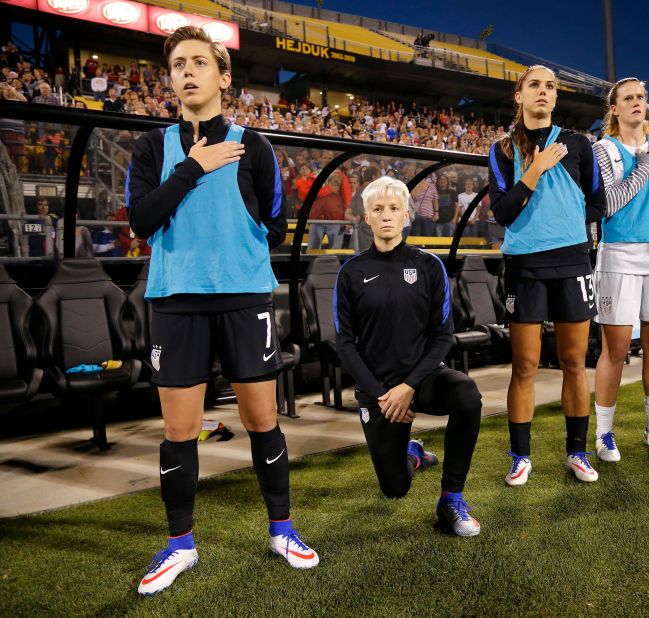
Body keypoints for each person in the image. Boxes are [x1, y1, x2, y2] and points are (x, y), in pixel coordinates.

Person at [126, 26, 316, 596]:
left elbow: (276, 223)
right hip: (176, 301)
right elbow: (141, 221)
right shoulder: (152, 147)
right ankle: (180, 544)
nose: (186, 72)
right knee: (180, 431)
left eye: (199, 63)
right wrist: (194, 167)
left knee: (262, 420)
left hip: (242, 298)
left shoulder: (253, 146)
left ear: (223, 76)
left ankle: (281, 530)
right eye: (177, 64)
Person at [335, 176, 482, 536]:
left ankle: (451, 499)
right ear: (366, 218)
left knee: (467, 394)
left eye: (394, 209)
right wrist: (382, 394)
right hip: (379, 392)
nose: (386, 216)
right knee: (395, 488)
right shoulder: (351, 273)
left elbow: (443, 336)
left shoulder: (430, 266)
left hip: (423, 379)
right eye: (378, 209)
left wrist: (409, 386)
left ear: (406, 215)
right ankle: (412, 454)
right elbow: (345, 343)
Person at [488, 65, 605, 485]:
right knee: (525, 365)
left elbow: (598, 203)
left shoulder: (578, 144)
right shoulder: (502, 149)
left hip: (573, 261)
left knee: (575, 362)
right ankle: (520, 456)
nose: (543, 91)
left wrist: (570, 230)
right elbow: (502, 212)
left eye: (550, 86)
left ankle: (578, 452)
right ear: (518, 95)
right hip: (525, 266)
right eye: (534, 84)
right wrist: (535, 171)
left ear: (556, 98)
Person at [591, 77, 649, 460]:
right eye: (627, 98)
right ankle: (604, 434)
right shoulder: (602, 149)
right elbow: (609, 204)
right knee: (615, 349)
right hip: (618, 254)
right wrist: (644, 167)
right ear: (614, 108)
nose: (636, 103)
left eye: (641, 97)